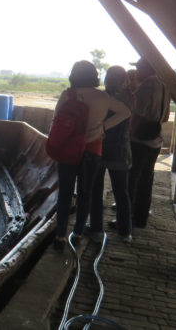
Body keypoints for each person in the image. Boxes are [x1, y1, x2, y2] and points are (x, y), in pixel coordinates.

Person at [53, 61, 130, 250]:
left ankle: (60, 235)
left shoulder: (67, 94)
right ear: (95, 76)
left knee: (64, 194)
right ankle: (78, 232)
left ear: (74, 75)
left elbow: (56, 120)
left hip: (68, 150)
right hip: (93, 150)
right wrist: (104, 126)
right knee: (85, 193)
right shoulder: (103, 97)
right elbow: (126, 112)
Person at [87, 66, 135, 244]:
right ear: (124, 80)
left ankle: (97, 229)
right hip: (120, 150)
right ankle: (125, 232)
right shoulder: (129, 98)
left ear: (107, 79)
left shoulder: (102, 97)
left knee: (95, 190)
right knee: (121, 192)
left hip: (99, 148)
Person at [128, 57, 170, 228]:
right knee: (146, 179)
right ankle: (140, 218)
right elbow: (166, 117)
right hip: (155, 140)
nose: (137, 71)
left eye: (139, 68)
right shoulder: (165, 86)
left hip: (139, 141)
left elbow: (136, 114)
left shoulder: (147, 85)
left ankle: (126, 217)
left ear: (149, 69)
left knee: (131, 179)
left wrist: (128, 133)